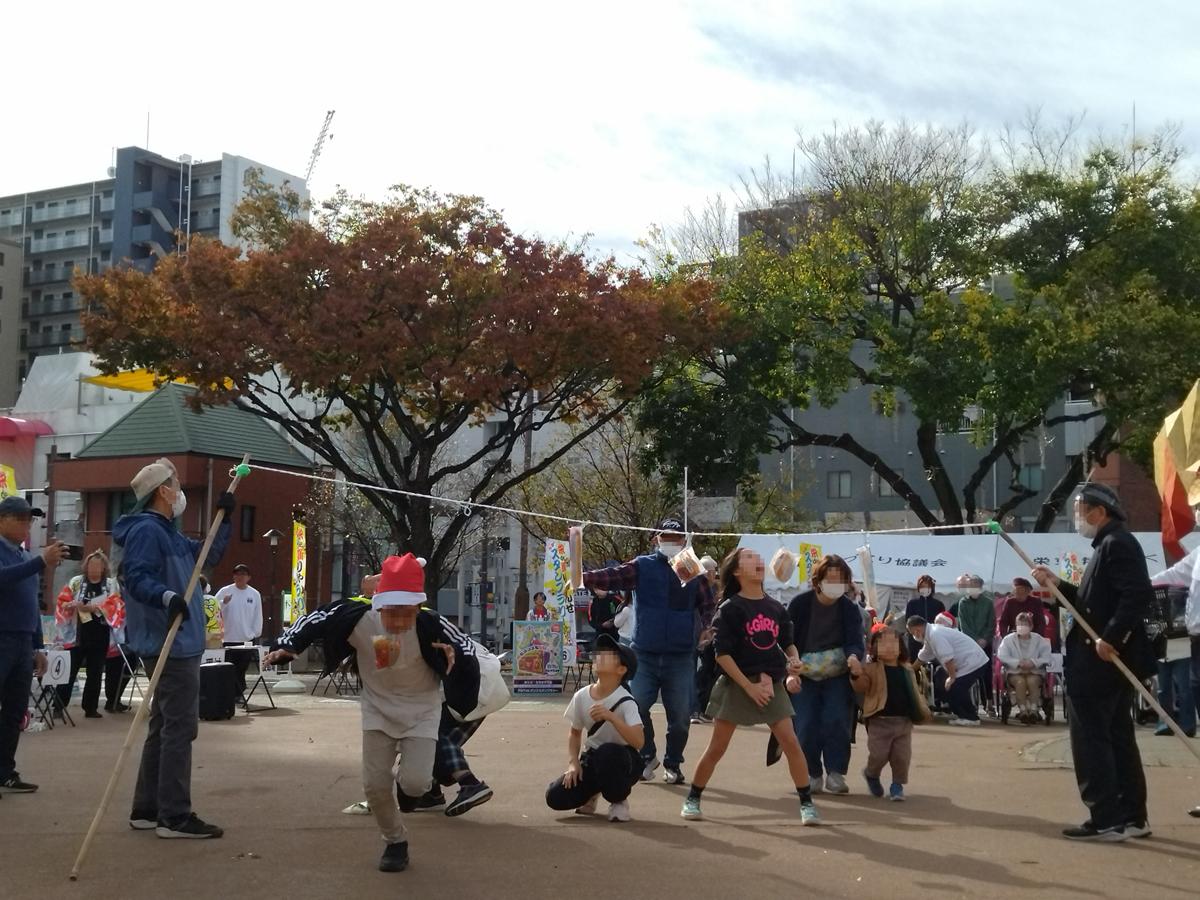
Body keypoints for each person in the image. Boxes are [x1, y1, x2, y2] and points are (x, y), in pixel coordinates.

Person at [266, 553, 479, 872]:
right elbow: (317, 618)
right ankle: (395, 841)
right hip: (378, 710)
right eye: (390, 611)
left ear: (418, 607)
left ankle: (409, 795)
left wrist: (458, 665)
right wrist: (288, 645)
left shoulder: (432, 624)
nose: (396, 621)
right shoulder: (357, 616)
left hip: (421, 710)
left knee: (417, 783)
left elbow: (468, 651)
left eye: (405, 612)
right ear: (379, 602)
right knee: (375, 785)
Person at [115, 458, 233, 839]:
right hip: (170, 642)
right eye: (176, 483)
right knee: (179, 728)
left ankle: (149, 809)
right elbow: (135, 576)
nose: (180, 489)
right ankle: (174, 816)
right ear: (163, 491)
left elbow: (206, 556)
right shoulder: (149, 531)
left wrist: (225, 518)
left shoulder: (168, 531)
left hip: (177, 642)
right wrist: (166, 597)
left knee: (164, 725)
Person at [1031, 482, 1155, 842]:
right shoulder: (1109, 546)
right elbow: (1092, 606)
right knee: (1117, 736)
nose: (1077, 517)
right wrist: (1058, 587)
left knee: (1092, 739)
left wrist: (1113, 637)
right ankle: (1132, 816)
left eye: (1080, 509)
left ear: (1100, 512)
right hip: (1103, 657)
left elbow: (1137, 595)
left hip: (1101, 659)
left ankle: (1106, 817)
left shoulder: (1117, 544)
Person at [682, 548, 820, 824]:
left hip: (771, 684)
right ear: (735, 571)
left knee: (792, 743)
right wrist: (749, 687)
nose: (758, 561)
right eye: (748, 558)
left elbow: (787, 642)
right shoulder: (730, 607)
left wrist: (794, 661)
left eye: (758, 558)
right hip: (737, 685)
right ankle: (693, 798)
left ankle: (806, 803)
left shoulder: (775, 607)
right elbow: (722, 655)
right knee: (717, 747)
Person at [581, 517, 715, 786]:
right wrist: (580, 575)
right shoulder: (642, 565)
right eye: (665, 537)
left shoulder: (690, 566)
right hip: (644, 654)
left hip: (680, 655)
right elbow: (612, 576)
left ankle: (673, 763)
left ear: (683, 541)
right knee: (636, 707)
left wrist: (707, 627)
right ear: (656, 539)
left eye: (676, 538)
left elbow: (707, 601)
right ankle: (647, 755)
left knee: (679, 718)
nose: (670, 542)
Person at [0, 496, 68, 794]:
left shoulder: (25, 556)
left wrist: (38, 646)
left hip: (20, 640)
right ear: (2, 518)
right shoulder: (23, 558)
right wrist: (41, 561)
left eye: (30, 519)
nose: (27, 524)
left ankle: (5, 771)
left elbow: (31, 604)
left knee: (15, 711)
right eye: (20, 518)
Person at [546, 633, 644, 822]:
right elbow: (574, 733)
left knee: (608, 754)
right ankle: (593, 791)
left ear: (621, 669)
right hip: (592, 758)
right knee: (555, 796)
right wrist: (573, 763)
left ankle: (618, 800)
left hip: (624, 760)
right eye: (600, 653)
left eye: (609, 655)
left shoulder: (626, 700)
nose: (600, 656)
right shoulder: (582, 696)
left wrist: (612, 717)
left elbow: (639, 741)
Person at [788, 554, 866, 794]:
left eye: (840, 579)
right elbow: (787, 640)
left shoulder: (850, 609)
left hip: (838, 675)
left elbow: (855, 641)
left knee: (836, 721)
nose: (835, 584)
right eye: (830, 578)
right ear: (818, 580)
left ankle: (836, 773)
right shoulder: (800, 604)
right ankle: (812, 773)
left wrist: (854, 657)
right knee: (805, 723)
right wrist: (791, 669)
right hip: (804, 674)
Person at [851, 623, 931, 802]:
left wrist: (921, 709)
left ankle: (897, 785)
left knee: (901, 757)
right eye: (883, 644)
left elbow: (914, 692)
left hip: (903, 721)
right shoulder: (871, 668)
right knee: (878, 754)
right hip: (879, 721)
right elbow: (862, 686)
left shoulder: (907, 669)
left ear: (900, 646)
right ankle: (872, 774)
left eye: (893, 643)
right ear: (874, 648)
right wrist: (856, 674)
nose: (888, 648)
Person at [55, 550, 122, 718]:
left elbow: (116, 604)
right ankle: (58, 706)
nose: (94, 568)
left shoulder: (110, 584)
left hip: (100, 632)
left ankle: (90, 708)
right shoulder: (76, 582)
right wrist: (71, 605)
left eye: (98, 566)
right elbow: (62, 600)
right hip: (78, 633)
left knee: (95, 672)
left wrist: (94, 608)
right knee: (70, 671)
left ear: (103, 568)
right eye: (91, 565)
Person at [1148, 549, 1200, 740]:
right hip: (1193, 639)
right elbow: (1175, 573)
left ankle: (1187, 724)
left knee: (1186, 686)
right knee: (1193, 685)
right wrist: (1143, 585)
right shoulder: (1198, 554)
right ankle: (1170, 723)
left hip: (1184, 643)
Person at [907, 614, 988, 726]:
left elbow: (948, 658)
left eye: (912, 633)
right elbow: (924, 655)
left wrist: (952, 677)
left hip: (974, 662)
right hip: (967, 663)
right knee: (943, 684)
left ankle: (971, 717)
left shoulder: (935, 634)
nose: (913, 636)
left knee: (955, 686)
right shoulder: (930, 635)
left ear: (917, 629)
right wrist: (910, 670)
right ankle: (963, 714)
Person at [996, 612, 1052, 724]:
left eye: (1025, 624)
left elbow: (1047, 657)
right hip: (1015, 672)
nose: (1022, 627)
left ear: (1031, 626)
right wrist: (1018, 663)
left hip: (1034, 671)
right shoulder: (1008, 640)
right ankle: (1023, 711)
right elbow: (1002, 655)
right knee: (1020, 682)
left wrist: (1033, 662)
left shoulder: (1040, 640)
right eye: (1019, 624)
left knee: (1032, 682)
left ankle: (1033, 710)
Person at [214, 563, 263, 695]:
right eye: (237, 574)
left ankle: (238, 692)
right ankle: (234, 693)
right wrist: (224, 603)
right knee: (229, 667)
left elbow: (258, 615)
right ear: (233, 576)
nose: (240, 577)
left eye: (243, 574)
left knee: (242, 668)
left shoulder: (254, 594)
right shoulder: (225, 591)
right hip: (228, 638)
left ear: (249, 577)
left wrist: (255, 632)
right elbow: (213, 610)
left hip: (246, 638)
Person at [952, 573, 996, 707]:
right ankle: (968, 702)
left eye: (976, 586)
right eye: (970, 586)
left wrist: (985, 639)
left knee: (987, 673)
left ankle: (988, 701)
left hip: (985, 643)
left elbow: (992, 624)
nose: (972, 588)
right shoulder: (963, 603)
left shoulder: (988, 603)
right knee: (968, 671)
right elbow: (963, 625)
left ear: (981, 587)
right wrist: (975, 640)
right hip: (968, 643)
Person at [691, 555, 720, 725]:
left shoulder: (716, 589)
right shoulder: (697, 587)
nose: (712, 574)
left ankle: (703, 709)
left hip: (710, 637)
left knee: (707, 673)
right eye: (711, 571)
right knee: (698, 674)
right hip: (697, 637)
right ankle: (695, 710)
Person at [904, 574, 945, 660]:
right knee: (916, 664)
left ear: (932, 588)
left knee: (934, 665)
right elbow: (908, 622)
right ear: (918, 588)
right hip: (915, 640)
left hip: (934, 640)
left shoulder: (938, 604)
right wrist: (916, 635)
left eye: (928, 586)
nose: (925, 588)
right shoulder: (912, 603)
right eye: (922, 586)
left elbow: (942, 624)